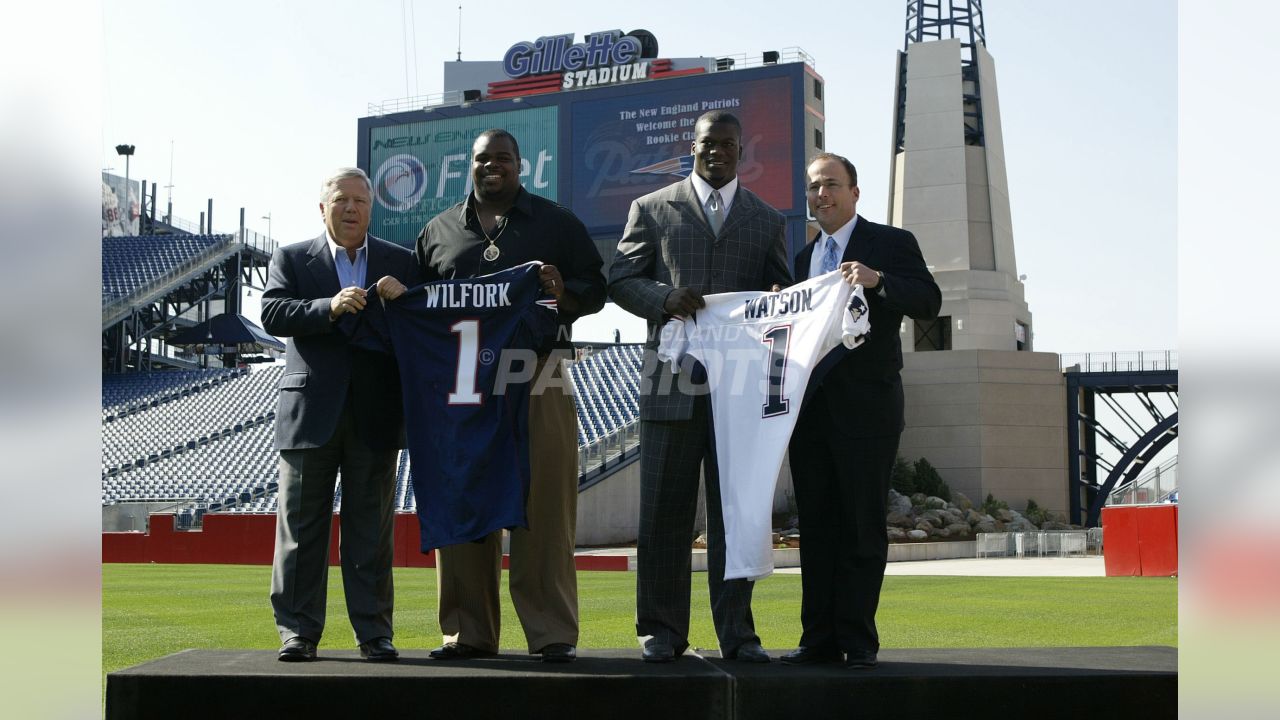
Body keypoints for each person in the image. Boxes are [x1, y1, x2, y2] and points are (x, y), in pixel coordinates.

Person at [382, 128, 605, 663]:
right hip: (460, 389)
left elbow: (596, 289)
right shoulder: (436, 231)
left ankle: (551, 632)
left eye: (503, 158)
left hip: (537, 374)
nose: (493, 166)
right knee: (463, 499)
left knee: (546, 507)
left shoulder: (556, 221)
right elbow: (419, 305)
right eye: (484, 159)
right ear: (471, 166)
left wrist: (560, 292)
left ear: (519, 165)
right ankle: (467, 631)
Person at [608, 110, 792, 663]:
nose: (718, 152)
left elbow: (778, 296)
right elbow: (619, 279)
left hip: (739, 391)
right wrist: (662, 299)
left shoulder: (766, 220)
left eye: (729, 145)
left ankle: (738, 633)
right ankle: (660, 631)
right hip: (669, 384)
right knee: (663, 513)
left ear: (742, 152)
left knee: (736, 513)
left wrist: (779, 296)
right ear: (693, 146)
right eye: (709, 143)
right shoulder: (652, 208)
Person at [780, 152, 941, 669]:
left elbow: (928, 301)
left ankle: (858, 639)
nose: (820, 195)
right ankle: (818, 638)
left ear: (854, 192)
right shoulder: (804, 260)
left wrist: (879, 281)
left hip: (867, 411)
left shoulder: (890, 244)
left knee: (861, 526)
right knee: (818, 526)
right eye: (812, 188)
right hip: (809, 414)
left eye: (830, 185)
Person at [261, 167, 419, 662]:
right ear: (322, 206)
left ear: (372, 208)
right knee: (301, 530)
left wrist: (406, 298)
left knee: (370, 532)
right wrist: (327, 307)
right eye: (341, 199)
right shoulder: (291, 257)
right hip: (311, 414)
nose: (351, 208)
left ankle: (374, 632)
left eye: (360, 200)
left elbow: (424, 326)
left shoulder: (401, 262)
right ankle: (298, 633)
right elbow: (272, 313)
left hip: (375, 415)